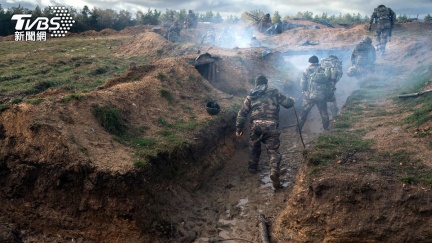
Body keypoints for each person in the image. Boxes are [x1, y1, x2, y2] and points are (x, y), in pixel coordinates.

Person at [235, 75, 295, 189]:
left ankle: (252, 169)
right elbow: (287, 104)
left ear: (256, 84)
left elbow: (242, 114)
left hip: (256, 125)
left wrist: (238, 129)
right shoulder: (274, 92)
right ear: (266, 83)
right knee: (272, 151)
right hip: (271, 125)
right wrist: (292, 100)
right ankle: (273, 171)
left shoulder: (250, 96)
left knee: (254, 146)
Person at [298, 55, 332, 131]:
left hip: (309, 97)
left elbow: (303, 84)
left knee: (304, 113)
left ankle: (298, 130)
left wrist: (304, 90)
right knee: (324, 113)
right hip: (322, 96)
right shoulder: (324, 70)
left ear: (310, 63)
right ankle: (326, 129)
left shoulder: (306, 71)